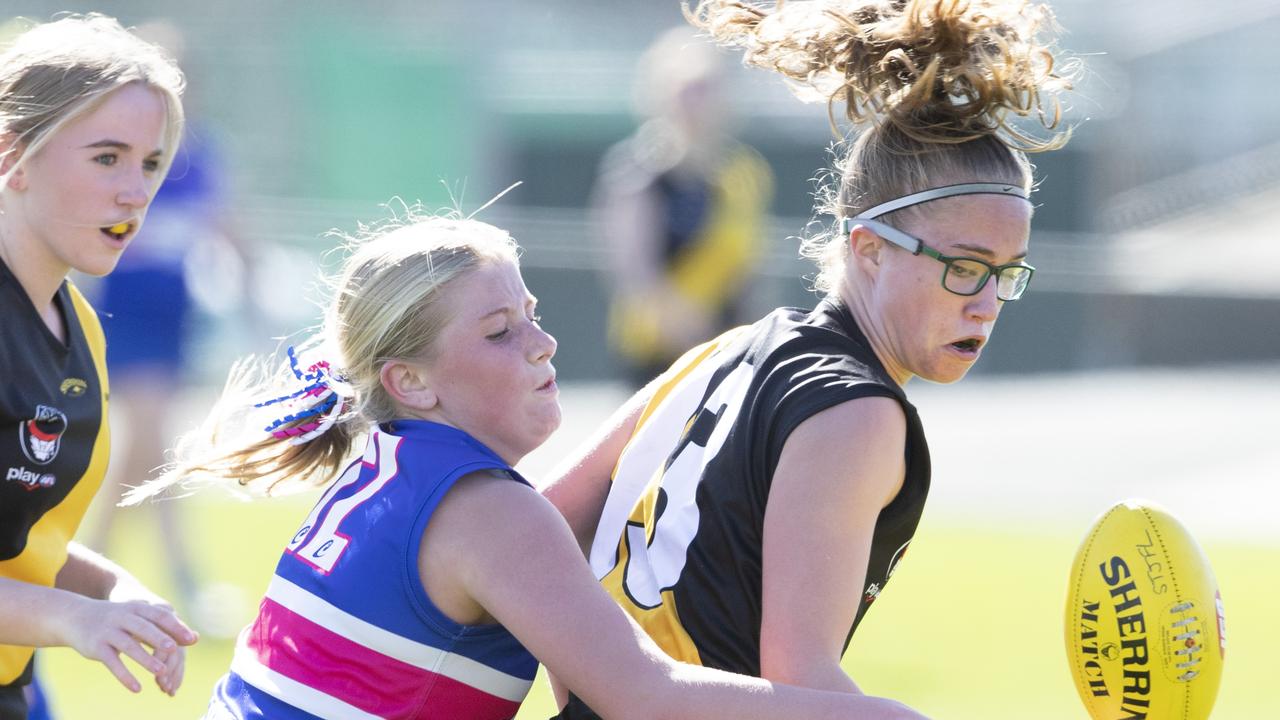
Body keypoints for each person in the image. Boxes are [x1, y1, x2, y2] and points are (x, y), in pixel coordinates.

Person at [129, 208, 927, 719]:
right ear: (411, 381)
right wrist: (889, 718)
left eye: (532, 315)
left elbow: (598, 479)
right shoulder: (485, 511)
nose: (542, 345)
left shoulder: (398, 462)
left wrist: (720, 368)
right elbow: (644, 697)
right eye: (499, 331)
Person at [543, 0, 1077, 717]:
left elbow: (543, 524)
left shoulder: (727, 348)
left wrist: (590, 688)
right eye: (965, 267)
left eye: (1008, 273)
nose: (985, 302)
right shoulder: (856, 413)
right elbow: (797, 675)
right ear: (869, 249)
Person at [0, 13, 198, 719]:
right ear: (11, 156)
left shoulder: (78, 321)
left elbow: (25, 548)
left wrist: (116, 593)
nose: (136, 193)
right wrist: (72, 619)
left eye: (150, 163)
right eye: (107, 157)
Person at [592, 26, 773, 387]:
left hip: (728, 349)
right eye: (685, 90)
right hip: (658, 355)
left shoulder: (744, 173)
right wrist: (688, 330)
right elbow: (634, 271)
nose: (696, 103)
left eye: (706, 89)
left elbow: (749, 266)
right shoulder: (639, 172)